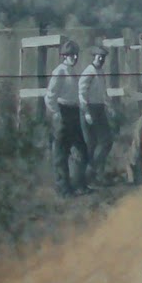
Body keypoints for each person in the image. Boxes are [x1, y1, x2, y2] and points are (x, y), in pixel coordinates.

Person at [45, 39, 88, 195]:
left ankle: (80, 185)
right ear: (64, 56)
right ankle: (64, 189)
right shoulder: (59, 72)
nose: (74, 58)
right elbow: (50, 96)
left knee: (82, 150)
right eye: (71, 55)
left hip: (74, 113)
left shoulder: (74, 72)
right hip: (62, 113)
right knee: (61, 154)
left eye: (76, 55)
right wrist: (57, 112)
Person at [79, 45, 114, 187]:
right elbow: (81, 94)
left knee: (106, 141)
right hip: (89, 110)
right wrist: (86, 112)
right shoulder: (88, 72)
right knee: (91, 144)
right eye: (99, 57)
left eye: (103, 57)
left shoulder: (101, 72)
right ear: (94, 57)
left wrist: (110, 107)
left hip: (100, 109)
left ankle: (95, 172)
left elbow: (104, 93)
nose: (101, 59)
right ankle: (89, 177)